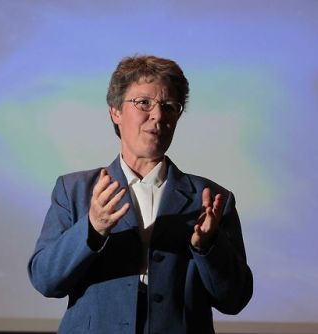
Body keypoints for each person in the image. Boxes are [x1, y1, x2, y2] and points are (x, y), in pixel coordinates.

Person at [28, 55, 253, 334]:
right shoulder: (74, 190)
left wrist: (207, 247)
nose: (158, 115)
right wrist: (92, 228)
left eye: (169, 106)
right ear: (115, 112)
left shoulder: (210, 198)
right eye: (144, 103)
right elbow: (46, 280)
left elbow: (235, 299)